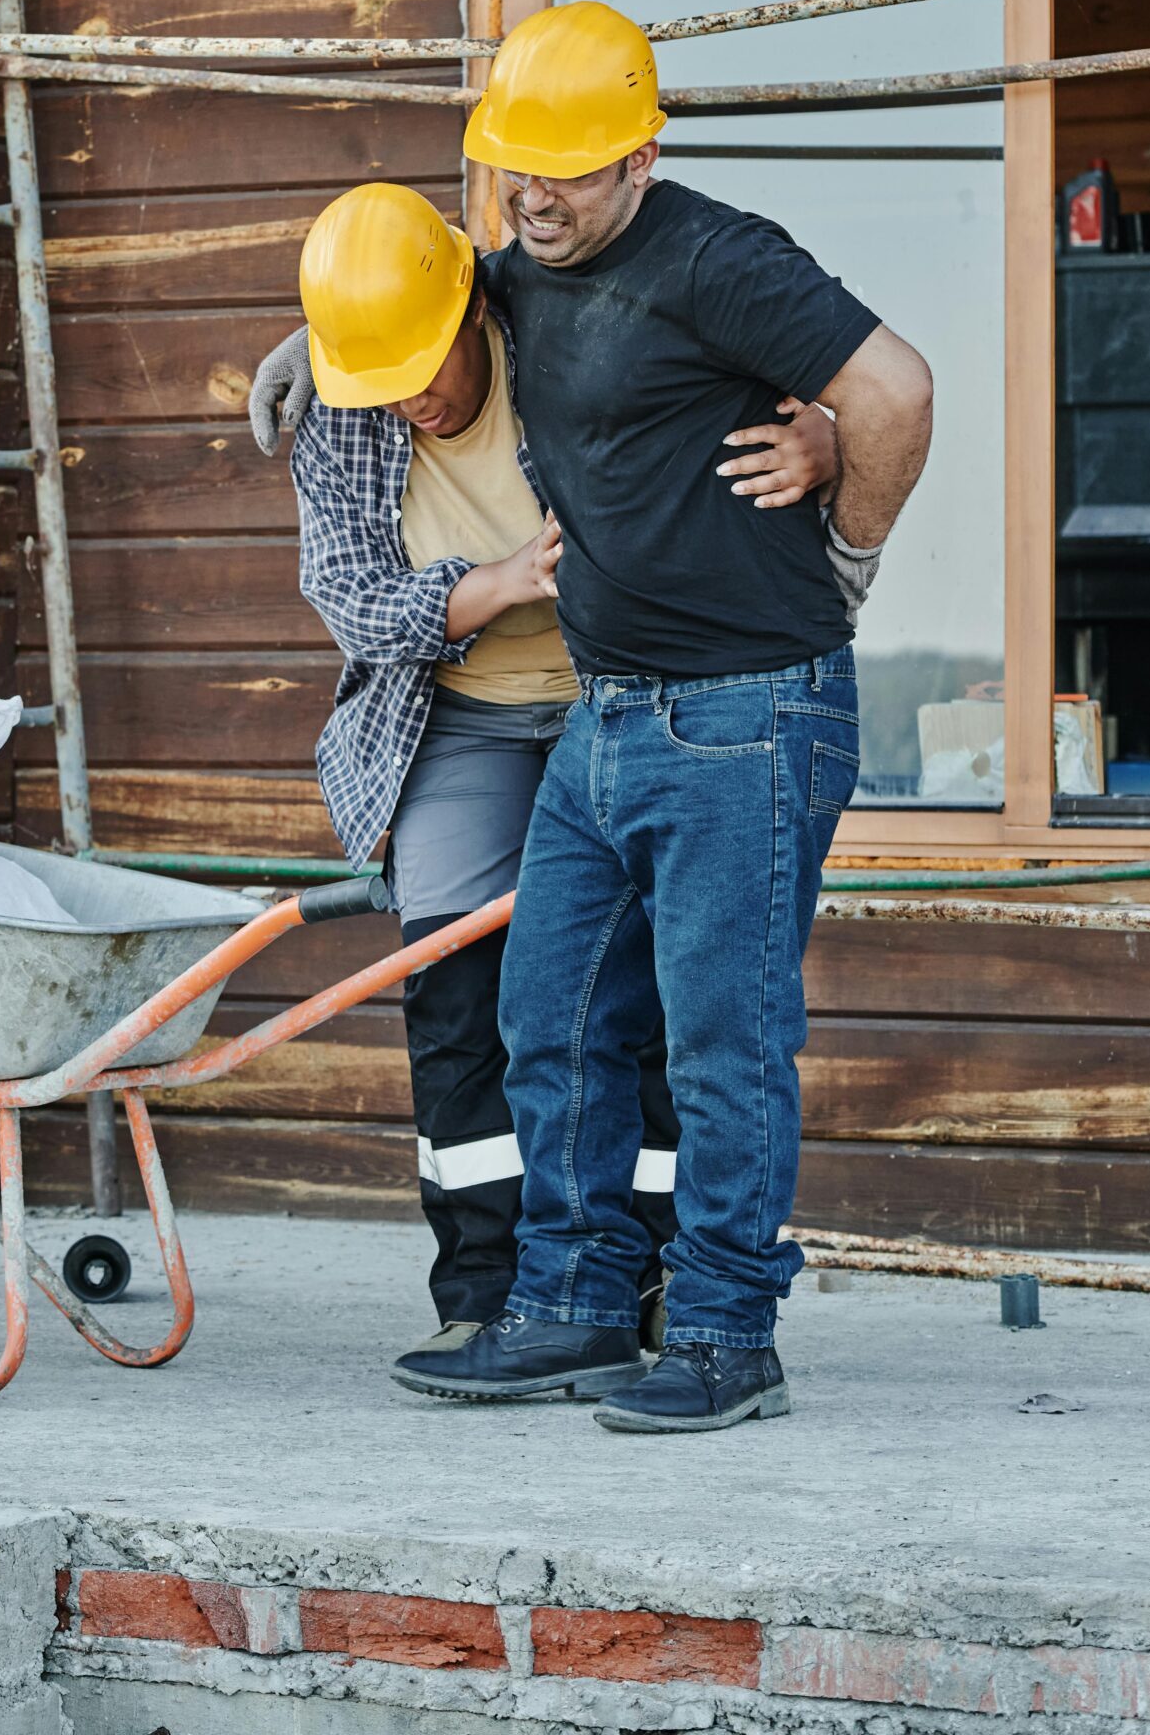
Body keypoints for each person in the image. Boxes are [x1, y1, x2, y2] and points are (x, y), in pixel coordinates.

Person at [253, 0, 932, 1434]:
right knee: (543, 1012)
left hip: (745, 707)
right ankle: (559, 1308)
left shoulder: (713, 256)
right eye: (515, 171)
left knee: (717, 1041)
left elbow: (892, 388)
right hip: (603, 717)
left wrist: (842, 534)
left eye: (566, 169)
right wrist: (300, 354)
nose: (536, 198)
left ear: (637, 154)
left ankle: (723, 1331)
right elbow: (415, 292)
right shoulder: (517, 275)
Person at [286, 178, 841, 1373]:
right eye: (378, 380)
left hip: (623, 692)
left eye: (423, 368)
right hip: (460, 710)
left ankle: (646, 1280)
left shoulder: (552, 319)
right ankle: (490, 1283)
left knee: (634, 996)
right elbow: (348, 598)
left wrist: (829, 432)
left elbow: (734, 367)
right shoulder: (343, 401)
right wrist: (489, 586)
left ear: (468, 311)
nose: (413, 401)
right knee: (463, 994)